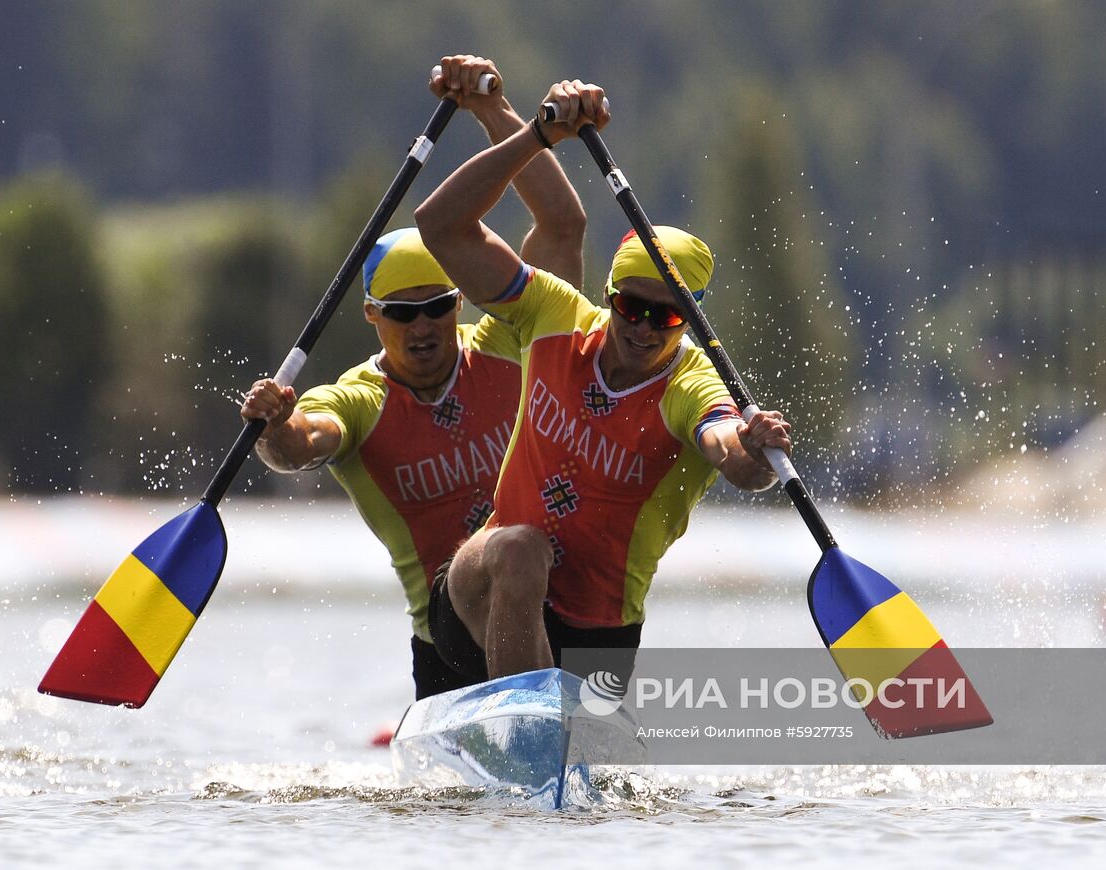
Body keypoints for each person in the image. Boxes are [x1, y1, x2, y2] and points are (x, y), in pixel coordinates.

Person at [415, 79, 794, 681]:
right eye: (630, 307)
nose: (644, 328)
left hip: (600, 634)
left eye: (667, 315)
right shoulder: (555, 316)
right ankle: (532, 732)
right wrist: (536, 136)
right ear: (609, 296)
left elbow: (736, 460)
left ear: (690, 317)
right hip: (481, 599)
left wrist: (751, 447)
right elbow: (440, 224)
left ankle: (544, 741)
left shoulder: (692, 384)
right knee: (519, 549)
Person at [238, 56, 587, 700]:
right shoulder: (359, 400)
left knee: (530, 556)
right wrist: (274, 422)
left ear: (460, 303)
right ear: (372, 315)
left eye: (438, 306)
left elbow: (562, 229)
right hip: (449, 635)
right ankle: (531, 723)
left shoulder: (506, 346)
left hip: (544, 599)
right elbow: (294, 448)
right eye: (403, 313)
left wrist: (499, 113)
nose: (422, 325)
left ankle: (550, 729)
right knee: (516, 548)